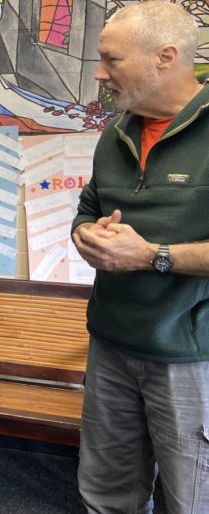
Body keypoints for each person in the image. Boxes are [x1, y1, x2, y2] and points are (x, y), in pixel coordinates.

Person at [71, 3, 209, 512]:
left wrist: (153, 255)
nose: (101, 73)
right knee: (104, 492)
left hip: (192, 356)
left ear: (165, 57)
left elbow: (149, 255)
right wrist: (86, 235)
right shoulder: (116, 132)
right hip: (110, 343)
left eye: (111, 59)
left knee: (190, 498)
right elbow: (88, 207)